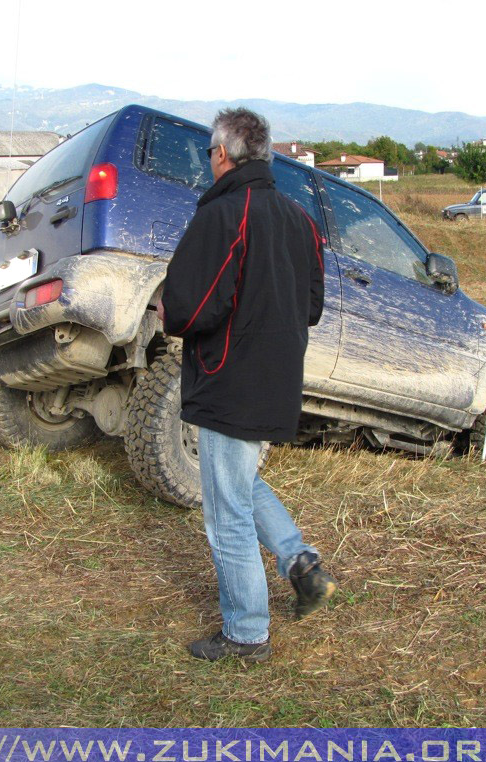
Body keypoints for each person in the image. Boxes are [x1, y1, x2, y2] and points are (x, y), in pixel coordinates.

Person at [160, 108, 337, 662]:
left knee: (225, 510)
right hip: (278, 377)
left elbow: (190, 307)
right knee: (239, 482)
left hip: (228, 377)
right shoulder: (300, 219)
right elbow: (311, 307)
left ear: (222, 155)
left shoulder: (223, 214)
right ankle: (301, 564)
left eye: (209, 153)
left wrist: (169, 310)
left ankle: (246, 632)